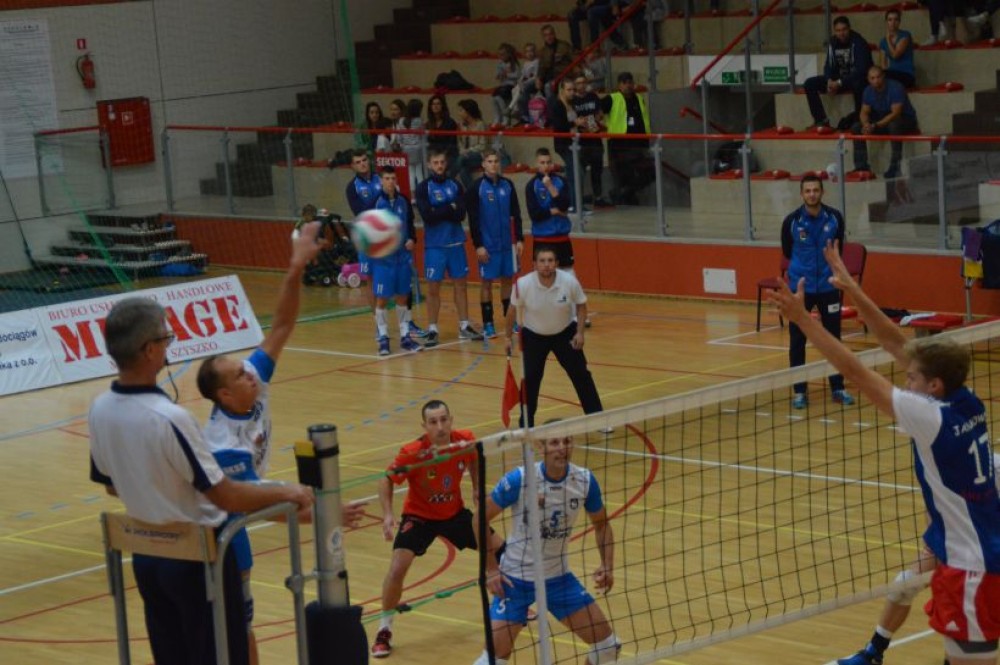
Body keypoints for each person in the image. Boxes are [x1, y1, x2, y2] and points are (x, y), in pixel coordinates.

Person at [769, 241, 1000, 665]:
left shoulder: (929, 417)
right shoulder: (966, 400)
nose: (905, 380)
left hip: (971, 567)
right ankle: (875, 650)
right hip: (975, 546)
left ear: (933, 386)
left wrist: (802, 320)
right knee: (916, 598)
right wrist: (853, 290)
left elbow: (855, 371)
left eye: (911, 379)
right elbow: (898, 344)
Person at [89, 295, 316, 665]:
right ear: (149, 350)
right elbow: (226, 496)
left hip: (147, 556)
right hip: (195, 560)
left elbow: (112, 486)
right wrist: (289, 491)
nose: (168, 347)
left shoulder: (99, 408)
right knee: (223, 655)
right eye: (166, 339)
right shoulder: (170, 417)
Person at [196, 221, 366, 665]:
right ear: (224, 396)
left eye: (245, 368)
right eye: (239, 375)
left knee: (243, 626)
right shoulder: (224, 446)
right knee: (228, 631)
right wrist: (327, 515)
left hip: (235, 527)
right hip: (214, 532)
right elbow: (264, 508)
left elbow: (283, 324)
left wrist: (295, 267)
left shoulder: (253, 383)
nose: (250, 373)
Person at [471, 427, 619, 665]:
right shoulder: (520, 479)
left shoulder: (584, 481)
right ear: (541, 447)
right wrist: (491, 570)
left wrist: (607, 565)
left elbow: (602, 524)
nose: (562, 448)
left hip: (557, 578)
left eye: (567, 441)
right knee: (494, 658)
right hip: (515, 579)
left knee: (608, 647)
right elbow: (479, 518)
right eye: (554, 443)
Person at [837, 451, 1000, 665]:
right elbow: (933, 508)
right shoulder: (936, 468)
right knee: (904, 585)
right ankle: (872, 653)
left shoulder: (990, 470)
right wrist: (935, 545)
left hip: (987, 551)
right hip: (957, 547)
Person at [372, 400, 504, 658]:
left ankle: (511, 605)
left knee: (502, 550)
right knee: (397, 567)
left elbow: (475, 459)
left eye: (444, 420)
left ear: (451, 420)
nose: (440, 427)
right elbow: (385, 479)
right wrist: (387, 515)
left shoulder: (464, 440)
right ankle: (384, 629)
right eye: (433, 422)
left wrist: (477, 486)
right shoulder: (413, 452)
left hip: (454, 514)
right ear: (424, 426)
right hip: (419, 517)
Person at [505, 246, 603, 426]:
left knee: (581, 374)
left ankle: (597, 418)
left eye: (550, 261)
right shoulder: (522, 284)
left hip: (564, 334)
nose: (546, 265)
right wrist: (507, 337)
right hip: (533, 336)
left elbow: (581, 306)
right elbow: (511, 311)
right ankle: (526, 424)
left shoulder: (569, 281)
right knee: (530, 380)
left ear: (556, 263)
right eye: (542, 261)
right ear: (535, 264)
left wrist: (580, 332)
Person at [780, 174, 854, 409]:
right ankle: (799, 392)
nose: (812, 194)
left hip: (828, 286)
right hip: (800, 290)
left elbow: (838, 248)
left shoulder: (835, 218)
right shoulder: (791, 221)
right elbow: (787, 250)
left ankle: (838, 388)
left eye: (815, 190)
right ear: (802, 194)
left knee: (833, 340)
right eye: (807, 191)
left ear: (822, 192)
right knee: (797, 341)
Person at [414, 148, 484, 347]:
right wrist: (449, 207)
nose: (439, 166)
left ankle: (464, 326)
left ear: (446, 164)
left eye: (442, 162)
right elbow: (428, 216)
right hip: (435, 245)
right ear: (429, 165)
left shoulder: (455, 185)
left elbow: (461, 214)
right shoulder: (423, 188)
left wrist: (440, 209)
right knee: (433, 288)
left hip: (456, 243)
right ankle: (433, 329)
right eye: (435, 163)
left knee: (460, 286)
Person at [466, 148, 524, 340]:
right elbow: (473, 219)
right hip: (488, 246)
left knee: (507, 281)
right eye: (489, 161)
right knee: (487, 283)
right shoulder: (476, 188)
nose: (493, 165)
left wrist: (520, 239)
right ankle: (488, 323)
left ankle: (510, 318)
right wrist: (478, 245)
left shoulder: (508, 185)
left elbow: (516, 213)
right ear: (483, 164)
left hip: (508, 245)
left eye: (496, 161)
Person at [370, 166, 423, 356]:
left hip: (402, 258)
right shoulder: (375, 203)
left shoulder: (403, 201)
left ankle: (405, 337)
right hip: (384, 261)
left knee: (402, 297)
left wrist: (412, 239)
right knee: (382, 299)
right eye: (387, 178)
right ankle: (383, 338)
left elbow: (410, 224)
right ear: (381, 181)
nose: (390, 182)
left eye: (393, 178)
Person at [802, 16, 872, 131]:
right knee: (810, 83)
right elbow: (828, 65)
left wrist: (839, 83)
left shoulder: (859, 42)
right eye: (838, 30)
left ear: (849, 29)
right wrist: (829, 80)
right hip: (838, 79)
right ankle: (821, 120)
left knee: (860, 84)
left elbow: (861, 70)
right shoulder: (833, 42)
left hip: (855, 79)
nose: (841, 33)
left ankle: (859, 120)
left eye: (844, 29)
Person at [850, 65, 919, 180]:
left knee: (894, 125)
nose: (875, 81)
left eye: (878, 77)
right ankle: (861, 166)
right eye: (872, 78)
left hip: (905, 120)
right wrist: (866, 124)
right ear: (868, 79)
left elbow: (895, 113)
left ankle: (895, 166)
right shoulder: (867, 91)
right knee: (856, 127)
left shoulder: (896, 87)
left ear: (883, 76)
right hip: (882, 120)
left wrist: (876, 125)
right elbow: (864, 112)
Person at [599, 71, 651, 206]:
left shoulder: (639, 98)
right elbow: (597, 111)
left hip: (639, 143)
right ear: (619, 85)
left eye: (630, 82)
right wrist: (598, 125)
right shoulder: (612, 98)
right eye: (625, 83)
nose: (628, 85)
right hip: (619, 145)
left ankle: (623, 193)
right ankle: (626, 197)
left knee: (649, 172)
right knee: (623, 175)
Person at [518, 25, 573, 124]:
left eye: (550, 34)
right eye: (546, 35)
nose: (549, 37)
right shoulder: (542, 51)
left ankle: (551, 118)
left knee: (548, 87)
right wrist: (538, 78)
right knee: (526, 86)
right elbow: (541, 68)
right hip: (547, 77)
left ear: (554, 34)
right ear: (543, 37)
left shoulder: (564, 46)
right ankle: (525, 117)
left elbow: (574, 59)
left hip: (561, 76)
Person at [571, 74, 610, 207]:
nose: (581, 85)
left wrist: (589, 122)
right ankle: (579, 198)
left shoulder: (593, 96)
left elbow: (599, 114)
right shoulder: (573, 100)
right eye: (578, 83)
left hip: (595, 139)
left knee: (597, 170)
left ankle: (598, 197)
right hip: (580, 141)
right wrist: (586, 122)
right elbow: (574, 120)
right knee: (580, 171)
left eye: (583, 82)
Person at [549, 79, 580, 212]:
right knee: (574, 173)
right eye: (569, 90)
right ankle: (573, 204)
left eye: (573, 90)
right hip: (564, 144)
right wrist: (575, 123)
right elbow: (559, 126)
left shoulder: (572, 104)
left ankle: (576, 203)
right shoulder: (557, 105)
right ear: (562, 90)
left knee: (576, 172)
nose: (572, 92)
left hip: (573, 143)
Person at [454, 99, 488, 190]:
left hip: (479, 155)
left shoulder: (480, 124)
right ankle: (474, 192)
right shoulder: (461, 125)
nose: (459, 113)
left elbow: (482, 145)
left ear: (468, 111)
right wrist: (462, 151)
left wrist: (468, 151)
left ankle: (448, 180)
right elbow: (459, 142)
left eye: (461, 110)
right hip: (465, 156)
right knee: (463, 171)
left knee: (461, 159)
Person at [879, 9, 915, 89]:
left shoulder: (905, 36)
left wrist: (888, 39)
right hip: (891, 74)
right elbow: (883, 64)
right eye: (890, 20)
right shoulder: (882, 42)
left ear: (899, 22)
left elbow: (895, 55)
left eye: (896, 20)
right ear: (886, 22)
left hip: (906, 74)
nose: (893, 23)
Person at [425, 94, 459, 169]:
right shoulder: (428, 124)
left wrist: (443, 154)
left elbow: (452, 142)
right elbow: (428, 142)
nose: (435, 106)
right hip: (433, 154)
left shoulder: (450, 122)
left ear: (442, 106)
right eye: (433, 104)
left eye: (438, 104)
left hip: (448, 153)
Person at [491, 43, 521, 127]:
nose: (501, 56)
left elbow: (518, 75)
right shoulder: (500, 64)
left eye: (503, 54)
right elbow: (498, 75)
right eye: (499, 54)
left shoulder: (514, 64)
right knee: (494, 97)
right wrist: (499, 75)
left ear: (509, 54)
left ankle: (505, 118)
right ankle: (497, 118)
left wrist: (507, 75)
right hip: (503, 85)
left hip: (511, 85)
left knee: (500, 96)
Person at [509, 43, 538, 126]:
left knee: (521, 89)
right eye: (527, 51)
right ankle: (515, 109)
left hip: (533, 83)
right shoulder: (526, 63)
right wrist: (520, 82)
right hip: (525, 82)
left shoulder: (536, 62)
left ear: (535, 52)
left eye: (531, 51)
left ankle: (511, 108)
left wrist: (524, 83)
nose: (529, 53)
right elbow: (522, 75)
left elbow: (535, 76)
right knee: (514, 89)